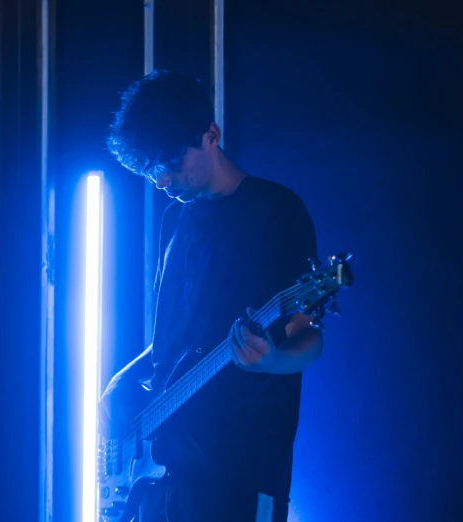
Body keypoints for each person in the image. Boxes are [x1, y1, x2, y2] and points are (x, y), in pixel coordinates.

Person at [101, 70, 324, 522]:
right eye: (150, 171)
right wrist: (120, 382)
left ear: (211, 135)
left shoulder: (275, 211)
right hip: (172, 474)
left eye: (170, 163)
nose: (162, 180)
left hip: (244, 475)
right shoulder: (175, 222)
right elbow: (175, 342)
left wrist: (269, 360)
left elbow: (308, 336)